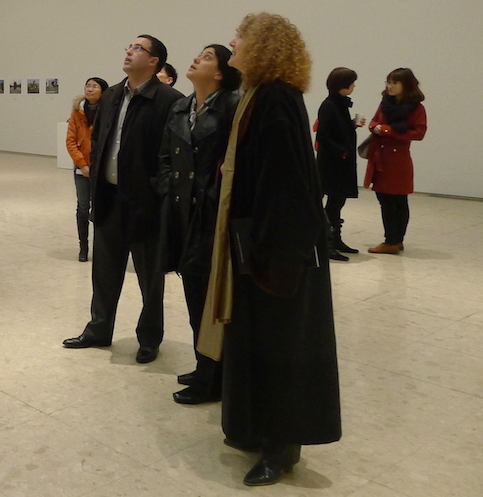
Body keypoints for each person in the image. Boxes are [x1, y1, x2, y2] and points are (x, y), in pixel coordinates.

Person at [199, 13, 342, 486]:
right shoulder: (259, 95)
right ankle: (254, 427)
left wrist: (272, 252)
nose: (233, 42)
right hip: (256, 239)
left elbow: (286, 181)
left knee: (281, 346)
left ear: (262, 46)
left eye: (241, 37)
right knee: (255, 340)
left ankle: (281, 448)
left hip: (278, 248)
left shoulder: (276, 96)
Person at [61, 35, 183, 364]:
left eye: (138, 48)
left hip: (146, 203)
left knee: (150, 277)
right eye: (129, 47)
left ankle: (149, 338)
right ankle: (99, 329)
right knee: (104, 272)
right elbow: (99, 142)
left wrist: (158, 194)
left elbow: (171, 155)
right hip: (110, 197)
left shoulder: (170, 100)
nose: (129, 51)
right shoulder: (112, 95)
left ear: (154, 61)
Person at [157, 44, 241, 404]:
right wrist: (168, 189)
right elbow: (164, 157)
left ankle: (213, 376)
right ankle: (204, 366)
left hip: (212, 216)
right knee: (194, 294)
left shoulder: (232, 107)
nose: (196, 59)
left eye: (207, 57)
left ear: (220, 73)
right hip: (182, 213)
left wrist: (209, 195)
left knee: (210, 300)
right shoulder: (181, 107)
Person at [363, 68, 427, 254]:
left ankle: (392, 241)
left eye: (394, 83)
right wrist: (376, 127)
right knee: (386, 198)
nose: (389, 86)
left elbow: (419, 133)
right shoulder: (385, 102)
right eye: (388, 82)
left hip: (398, 159)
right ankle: (394, 240)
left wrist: (388, 130)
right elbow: (374, 122)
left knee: (397, 200)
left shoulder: (416, 108)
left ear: (405, 85)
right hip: (381, 157)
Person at [316, 67, 365, 262]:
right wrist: (342, 152)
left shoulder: (340, 104)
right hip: (332, 163)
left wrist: (351, 125)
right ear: (342, 85)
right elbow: (323, 135)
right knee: (333, 202)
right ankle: (327, 243)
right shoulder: (329, 105)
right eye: (352, 83)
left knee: (337, 201)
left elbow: (336, 129)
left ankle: (335, 240)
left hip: (341, 162)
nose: (354, 86)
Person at [66, 77, 109, 262]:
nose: (90, 89)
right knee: (83, 207)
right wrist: (82, 164)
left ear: (103, 91)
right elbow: (70, 141)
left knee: (100, 208)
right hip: (81, 169)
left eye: (95, 86)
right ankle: (83, 247)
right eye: (88, 86)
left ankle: (101, 248)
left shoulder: (108, 112)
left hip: (101, 169)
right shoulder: (77, 113)